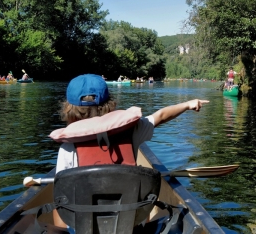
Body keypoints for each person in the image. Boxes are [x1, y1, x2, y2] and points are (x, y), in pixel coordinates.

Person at [52, 74, 208, 227]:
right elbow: (160, 116)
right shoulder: (133, 130)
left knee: (56, 203)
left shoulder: (67, 147)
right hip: (130, 219)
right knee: (146, 197)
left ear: (69, 108)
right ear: (109, 104)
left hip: (83, 223)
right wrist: (188, 104)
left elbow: (63, 189)